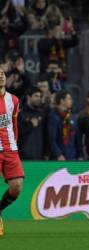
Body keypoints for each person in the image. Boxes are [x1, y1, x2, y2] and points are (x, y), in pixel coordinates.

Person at [0, 67, 24, 237]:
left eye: (2, 74)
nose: (0, 76)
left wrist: (14, 144)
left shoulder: (13, 100)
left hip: (9, 149)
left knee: (16, 187)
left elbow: (14, 125)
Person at [47, 90, 82, 160]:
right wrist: (58, 154)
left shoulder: (73, 117)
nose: (71, 101)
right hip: (59, 158)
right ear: (62, 100)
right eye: (69, 99)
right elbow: (51, 139)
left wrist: (80, 154)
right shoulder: (53, 117)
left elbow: (77, 138)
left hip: (72, 156)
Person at [18, 87, 46, 160]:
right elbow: (16, 132)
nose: (39, 98)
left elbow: (46, 135)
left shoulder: (42, 113)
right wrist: (30, 124)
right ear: (28, 97)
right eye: (36, 96)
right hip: (23, 157)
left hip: (39, 156)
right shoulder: (20, 113)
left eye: (40, 96)